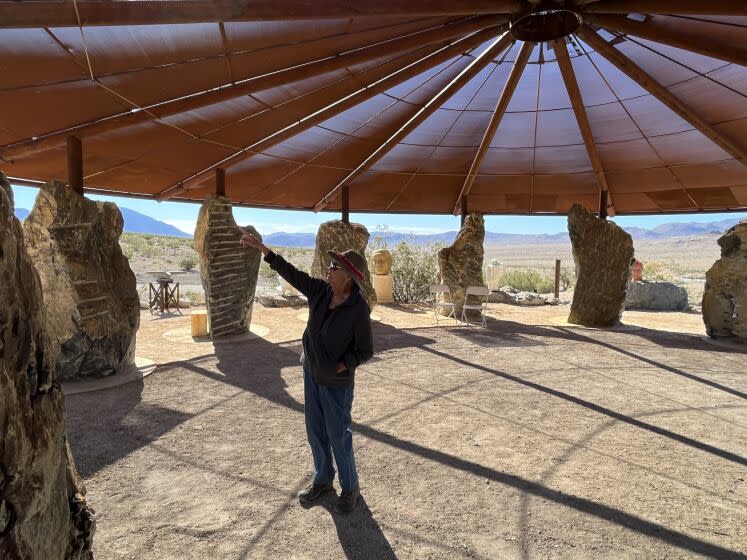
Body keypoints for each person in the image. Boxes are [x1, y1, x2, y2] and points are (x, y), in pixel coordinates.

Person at [240, 232, 373, 514]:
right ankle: (323, 480)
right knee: (315, 429)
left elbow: (365, 350)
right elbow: (291, 272)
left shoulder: (358, 309)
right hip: (311, 372)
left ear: (348, 276)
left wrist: (342, 365)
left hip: (336, 382)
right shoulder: (321, 291)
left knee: (338, 435)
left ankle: (351, 488)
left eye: (335, 267)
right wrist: (263, 249)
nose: (329, 270)